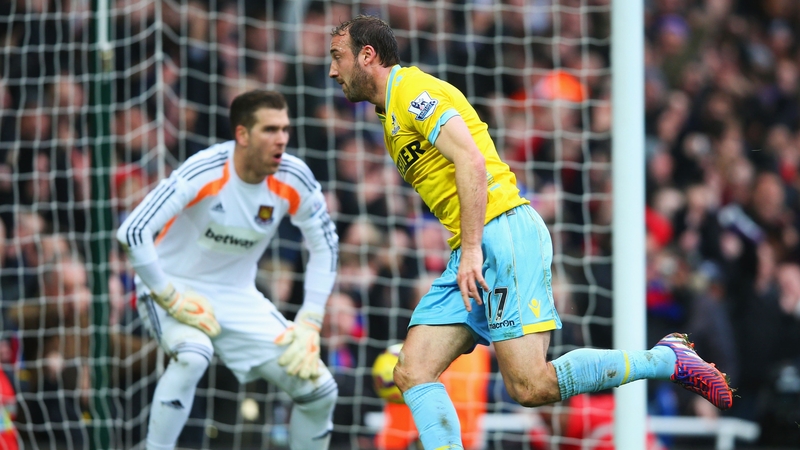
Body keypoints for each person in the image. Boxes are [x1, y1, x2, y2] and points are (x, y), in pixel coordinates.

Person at [328, 15, 733, 449]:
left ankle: (666, 359)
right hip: (473, 244)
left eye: (337, 57)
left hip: (500, 235)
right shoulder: (389, 112)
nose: (333, 70)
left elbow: (472, 161)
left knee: (530, 385)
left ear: (367, 55)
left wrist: (469, 252)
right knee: (412, 370)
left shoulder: (411, 90)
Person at [116, 90, 339, 450]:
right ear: (242, 134)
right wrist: (168, 295)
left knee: (321, 390)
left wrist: (311, 319)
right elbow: (132, 231)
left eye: (285, 129)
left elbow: (325, 245)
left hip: (237, 298)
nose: (281, 138)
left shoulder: (295, 177)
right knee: (193, 354)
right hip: (171, 287)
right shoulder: (205, 169)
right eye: (269, 129)